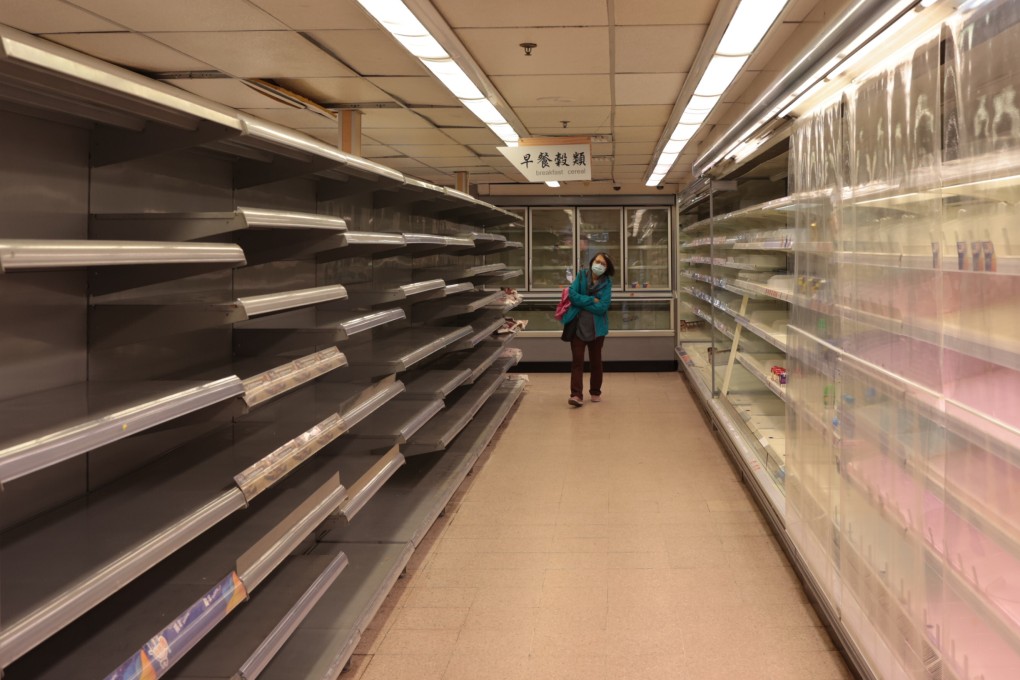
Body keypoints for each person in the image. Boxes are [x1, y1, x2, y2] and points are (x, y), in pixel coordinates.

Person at [563, 252, 615, 407]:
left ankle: (595, 391)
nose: (599, 265)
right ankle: (576, 395)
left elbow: (602, 307)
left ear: (606, 268)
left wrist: (582, 301)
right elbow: (572, 295)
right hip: (578, 327)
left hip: (597, 330)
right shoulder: (581, 276)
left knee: (596, 362)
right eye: (597, 261)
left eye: (603, 264)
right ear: (592, 262)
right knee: (577, 362)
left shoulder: (607, 283)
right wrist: (591, 299)